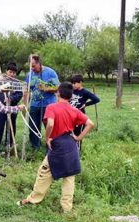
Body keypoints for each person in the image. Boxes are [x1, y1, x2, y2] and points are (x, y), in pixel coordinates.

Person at [17, 82, 94, 213]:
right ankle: (67, 209)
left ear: (58, 93)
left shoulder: (51, 107)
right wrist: (78, 138)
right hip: (71, 145)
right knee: (69, 178)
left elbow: (50, 124)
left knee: (44, 172)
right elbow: (90, 124)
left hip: (57, 144)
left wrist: (47, 138)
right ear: (70, 97)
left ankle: (33, 199)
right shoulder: (74, 110)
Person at [24, 54, 60, 150]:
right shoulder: (29, 75)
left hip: (49, 105)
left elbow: (57, 88)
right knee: (33, 127)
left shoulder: (50, 72)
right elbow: (26, 91)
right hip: (35, 105)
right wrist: (25, 105)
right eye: (30, 66)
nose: (32, 68)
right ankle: (35, 147)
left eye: (34, 65)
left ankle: (52, 146)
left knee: (50, 126)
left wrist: (46, 88)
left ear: (39, 63)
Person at [0, 62, 23, 155]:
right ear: (6, 72)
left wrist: (11, 98)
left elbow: (19, 94)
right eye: (10, 72)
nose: (12, 74)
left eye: (14, 73)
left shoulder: (17, 83)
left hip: (12, 107)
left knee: (11, 126)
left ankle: (9, 144)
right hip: (1, 108)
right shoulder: (1, 81)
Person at [70, 74, 100, 150]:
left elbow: (96, 99)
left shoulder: (85, 92)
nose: (73, 85)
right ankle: (71, 151)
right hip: (70, 115)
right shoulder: (72, 91)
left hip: (79, 117)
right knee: (70, 133)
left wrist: (86, 104)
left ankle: (78, 151)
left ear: (80, 82)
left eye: (75, 83)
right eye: (72, 83)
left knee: (78, 134)